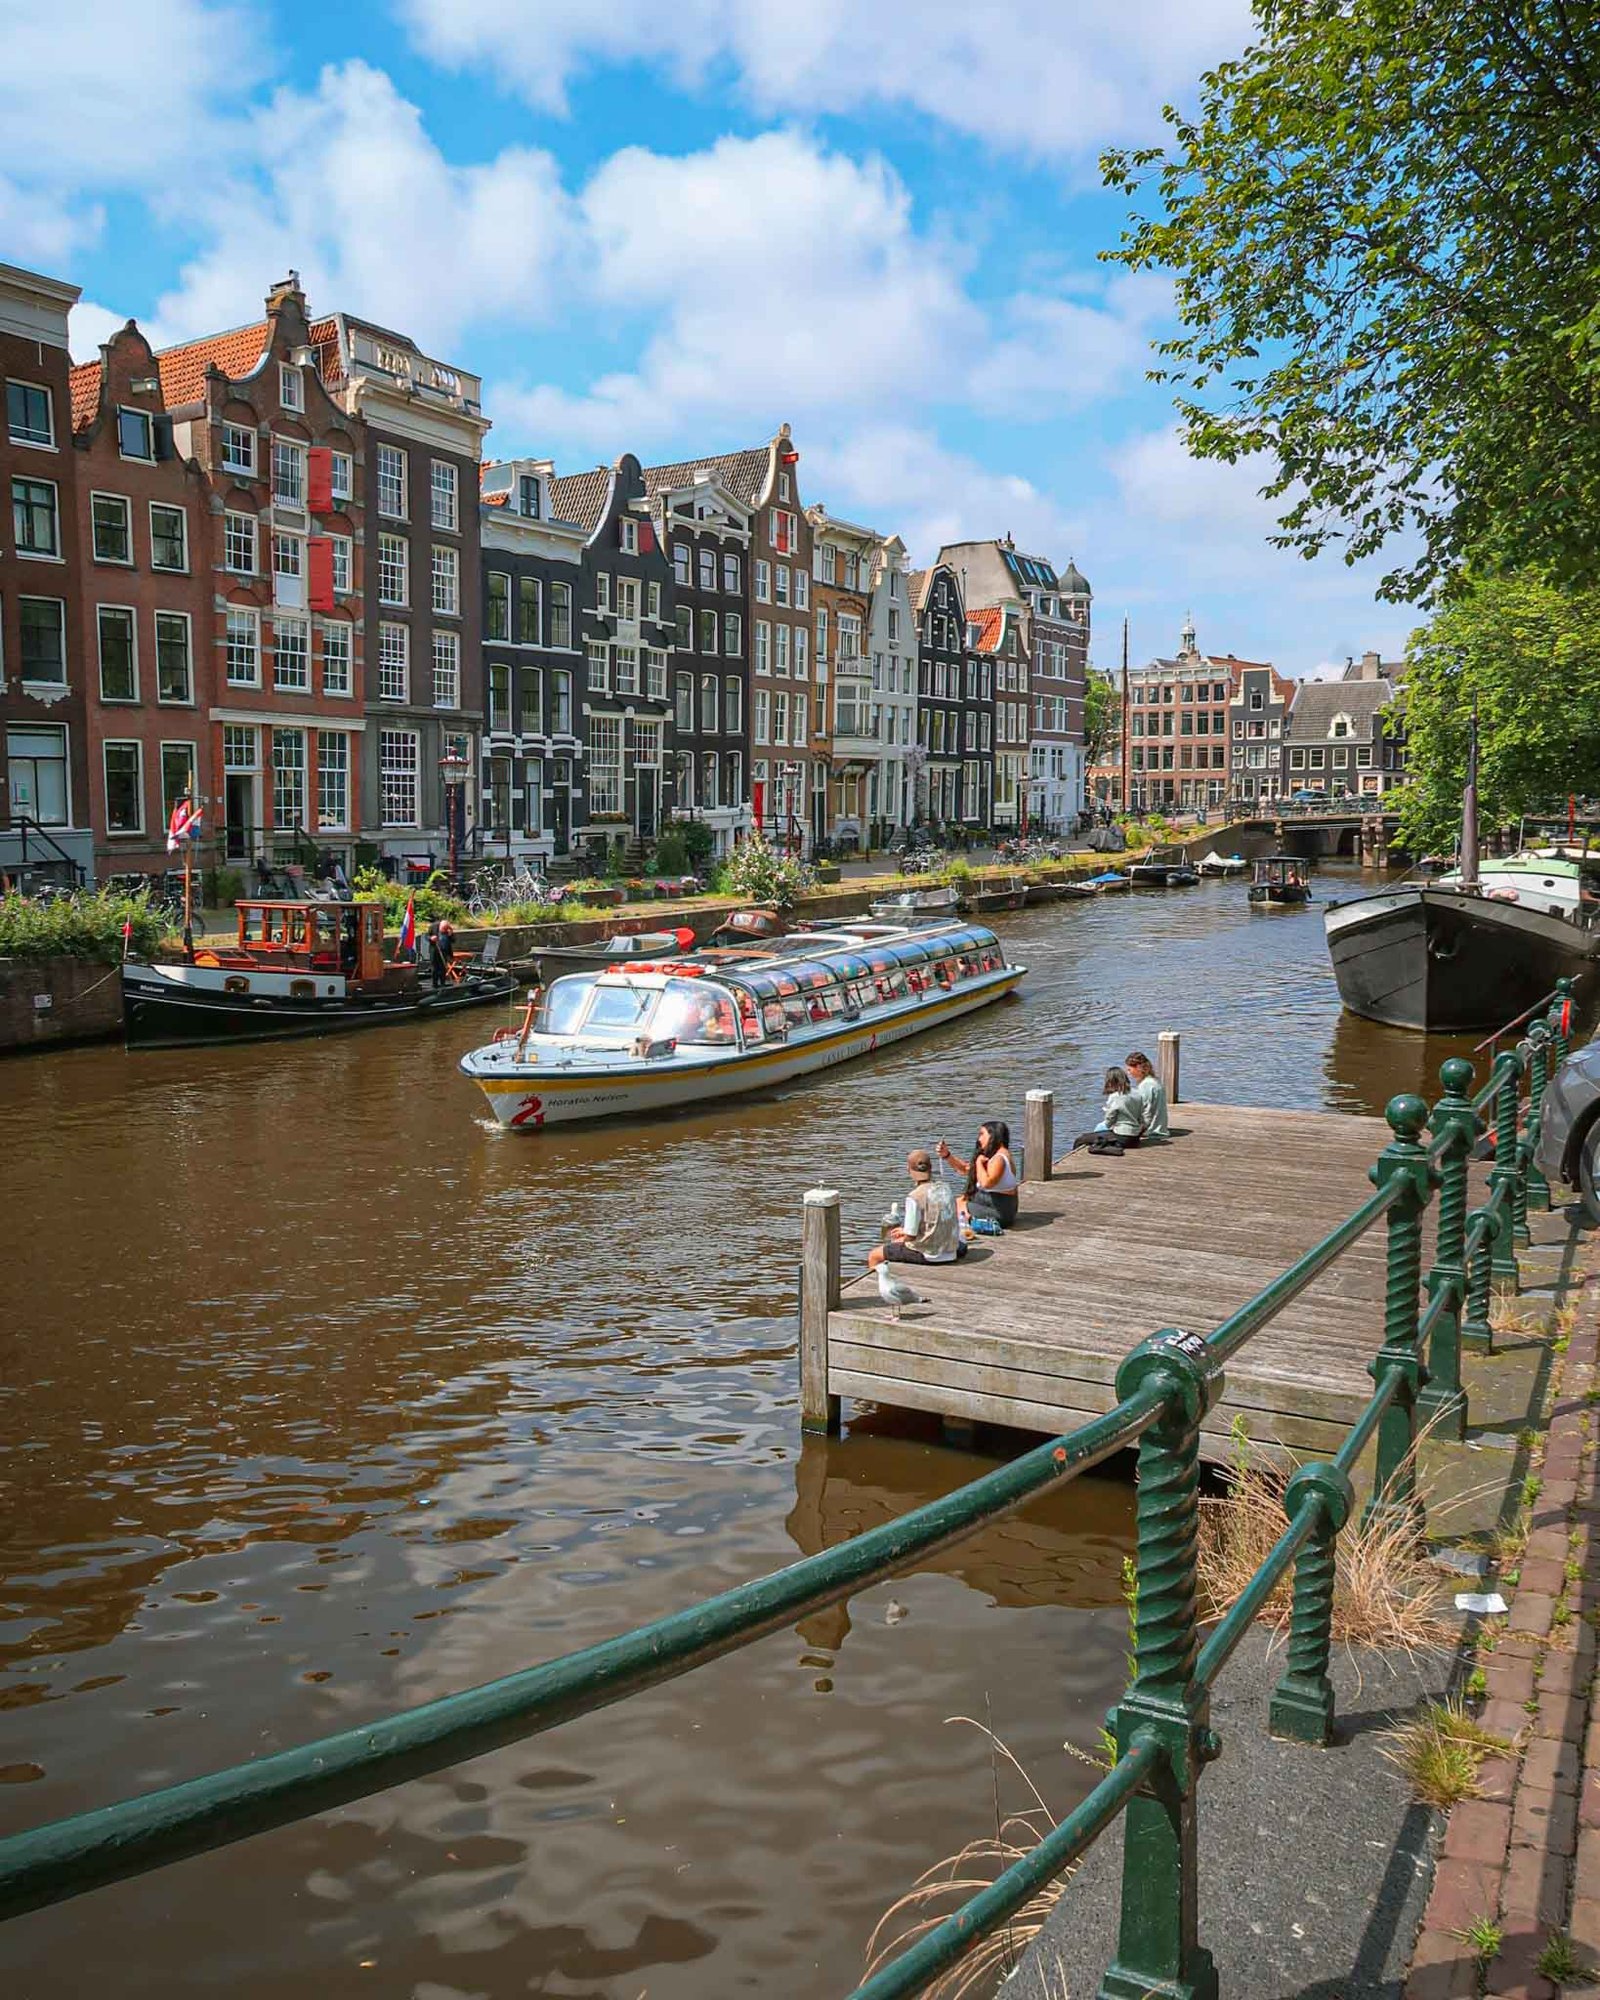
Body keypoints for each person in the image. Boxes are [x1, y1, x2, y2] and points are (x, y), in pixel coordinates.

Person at [867, 1150, 968, 1268]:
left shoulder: (914, 1197)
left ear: (909, 1170)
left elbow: (910, 1236)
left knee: (875, 1255)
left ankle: (878, 1283)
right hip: (951, 1251)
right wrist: (904, 1231)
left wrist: (903, 1235)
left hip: (929, 1255)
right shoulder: (946, 1189)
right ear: (930, 1168)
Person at [937, 1121, 1020, 1230]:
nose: (979, 1139)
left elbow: (986, 1183)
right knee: (957, 1201)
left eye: (982, 1134)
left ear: (993, 1135)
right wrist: (947, 1155)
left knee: (952, 1207)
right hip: (997, 1205)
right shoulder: (995, 1155)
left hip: (1000, 1211)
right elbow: (965, 1169)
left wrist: (979, 1162)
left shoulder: (999, 1158)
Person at [1071, 1067, 1144, 1151]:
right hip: (1135, 1138)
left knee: (1081, 1139)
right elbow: (1141, 1117)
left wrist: (1107, 1114)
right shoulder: (1138, 1094)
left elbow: (1109, 1121)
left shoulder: (1115, 1096)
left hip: (1121, 1136)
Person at [1125, 1049, 1170, 1141]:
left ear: (1138, 1067)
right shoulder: (1153, 1081)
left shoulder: (1146, 1086)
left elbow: (1146, 1112)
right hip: (1159, 1127)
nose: (1128, 1073)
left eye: (1129, 1069)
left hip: (1152, 1131)